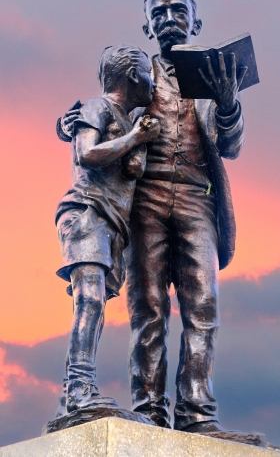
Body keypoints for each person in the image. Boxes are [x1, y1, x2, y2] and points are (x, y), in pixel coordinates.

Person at [58, 0, 245, 432]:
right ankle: (148, 410)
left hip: (198, 199)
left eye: (177, 10)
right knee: (147, 307)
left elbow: (232, 145)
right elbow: (96, 113)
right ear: (147, 26)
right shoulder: (138, 75)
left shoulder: (214, 75)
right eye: (157, 14)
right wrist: (66, 124)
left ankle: (198, 413)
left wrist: (228, 102)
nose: (168, 19)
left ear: (195, 22)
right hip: (144, 200)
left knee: (203, 307)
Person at [55, 44, 160, 414]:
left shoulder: (129, 119)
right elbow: (87, 153)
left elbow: (131, 171)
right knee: (89, 298)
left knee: (95, 304)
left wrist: (139, 137)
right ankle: (78, 388)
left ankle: (76, 387)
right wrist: (135, 139)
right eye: (149, 73)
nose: (153, 82)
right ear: (133, 75)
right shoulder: (97, 108)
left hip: (112, 223)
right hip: (86, 213)